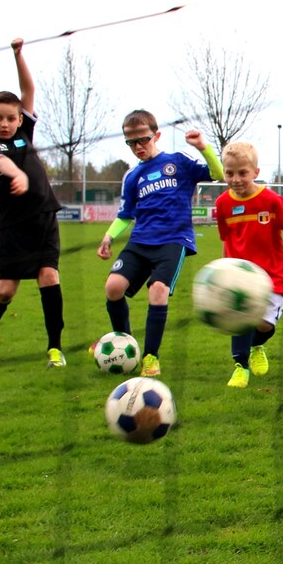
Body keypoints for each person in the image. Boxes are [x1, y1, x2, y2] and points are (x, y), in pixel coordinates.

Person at [0, 38, 66, 367]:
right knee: (5, 290)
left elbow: (28, 90)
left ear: (20, 119)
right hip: (12, 226)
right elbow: (0, 162)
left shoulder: (25, 134)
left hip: (44, 218)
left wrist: (19, 55)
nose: (5, 123)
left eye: (11, 118)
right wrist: (16, 173)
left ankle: (55, 348)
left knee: (49, 276)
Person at [96, 109, 224, 377]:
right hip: (140, 241)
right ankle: (125, 347)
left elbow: (218, 173)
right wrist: (109, 237)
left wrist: (203, 146)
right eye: (131, 142)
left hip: (173, 240)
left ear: (156, 135)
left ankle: (151, 357)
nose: (138, 147)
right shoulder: (132, 176)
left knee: (158, 290)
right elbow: (125, 214)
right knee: (113, 287)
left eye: (143, 139)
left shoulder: (178, 162)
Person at [214, 141, 283, 388]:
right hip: (239, 276)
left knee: (264, 324)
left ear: (255, 172)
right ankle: (240, 367)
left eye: (242, 173)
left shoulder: (272, 201)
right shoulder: (222, 203)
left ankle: (256, 345)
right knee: (242, 317)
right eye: (229, 173)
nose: (236, 179)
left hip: (272, 276)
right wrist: (223, 271)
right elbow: (226, 239)